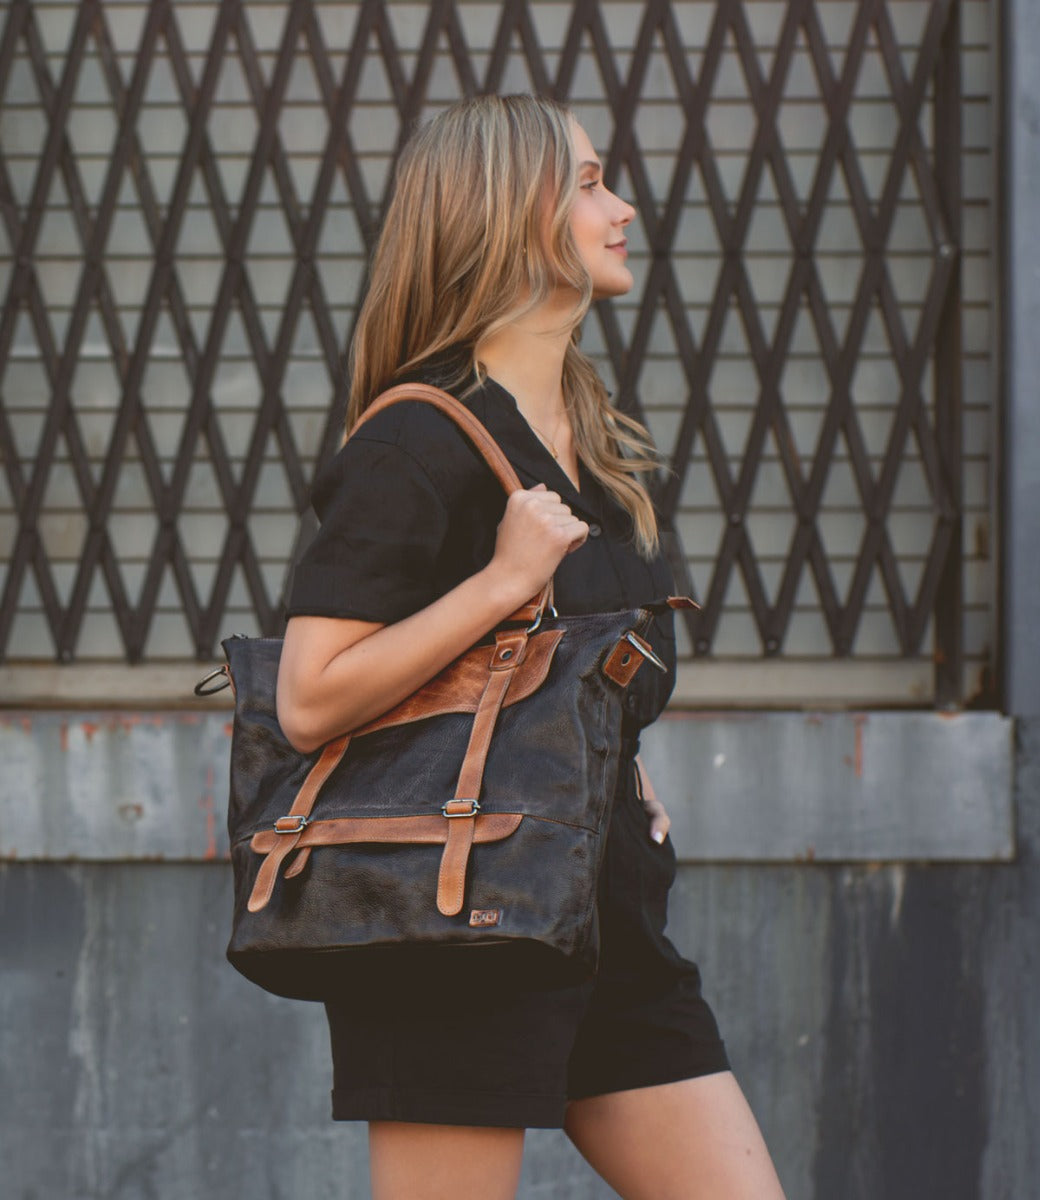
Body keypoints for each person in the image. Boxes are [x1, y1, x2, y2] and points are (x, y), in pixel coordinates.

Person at [276, 94, 785, 1200]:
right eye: (592, 183)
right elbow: (307, 698)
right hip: (458, 909)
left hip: (603, 905)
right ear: (510, 218)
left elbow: (558, 662)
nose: (624, 207)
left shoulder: (591, 439)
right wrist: (504, 580)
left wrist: (617, 758)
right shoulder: (418, 438)